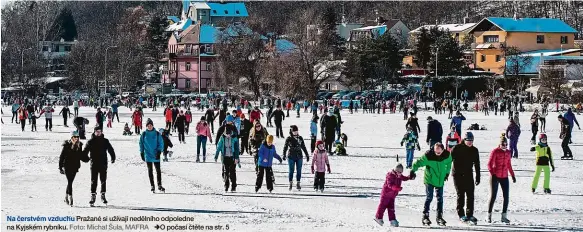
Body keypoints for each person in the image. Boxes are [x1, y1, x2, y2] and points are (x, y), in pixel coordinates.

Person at [409, 143, 452, 226]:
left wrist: (447, 173)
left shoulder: (447, 155)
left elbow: (449, 163)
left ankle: (439, 216)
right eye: (436, 151)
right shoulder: (429, 156)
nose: (437, 153)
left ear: (443, 150)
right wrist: (412, 170)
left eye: (439, 152)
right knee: (429, 197)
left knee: (440, 198)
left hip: (440, 180)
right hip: (429, 179)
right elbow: (419, 162)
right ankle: (425, 216)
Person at [450, 132, 480, 224]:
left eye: (471, 141)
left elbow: (477, 164)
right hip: (457, 175)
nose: (470, 142)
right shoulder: (457, 148)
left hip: (468, 174)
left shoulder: (474, 150)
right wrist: (446, 173)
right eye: (468, 140)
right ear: (464, 140)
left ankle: (469, 214)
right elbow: (448, 160)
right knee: (461, 194)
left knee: (470, 195)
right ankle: (461, 214)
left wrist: (478, 176)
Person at [82, 126, 116, 206]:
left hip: (103, 163)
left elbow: (110, 149)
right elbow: (85, 152)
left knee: (103, 180)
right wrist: (86, 158)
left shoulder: (105, 141)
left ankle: (103, 194)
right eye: (97, 131)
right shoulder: (90, 141)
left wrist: (113, 157)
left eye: (99, 131)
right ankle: (93, 196)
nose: (98, 133)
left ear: (101, 132)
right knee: (94, 180)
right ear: (94, 132)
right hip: (94, 164)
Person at [487, 136, 516, 223]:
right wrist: (493, 173)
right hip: (495, 176)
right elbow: (489, 164)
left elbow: (509, 165)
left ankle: (504, 216)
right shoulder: (495, 151)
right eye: (503, 144)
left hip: (504, 176)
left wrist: (513, 175)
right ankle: (489, 215)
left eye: (506, 144)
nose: (504, 146)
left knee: (506, 197)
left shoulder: (508, 152)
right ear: (500, 144)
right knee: (493, 196)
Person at [374, 163, 412, 227]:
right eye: (399, 172)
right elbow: (390, 185)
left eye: (401, 172)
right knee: (382, 206)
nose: (400, 174)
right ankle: (378, 217)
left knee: (391, 208)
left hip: (392, 196)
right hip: (386, 194)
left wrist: (409, 177)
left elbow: (404, 178)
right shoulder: (390, 175)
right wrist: (397, 188)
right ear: (395, 170)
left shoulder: (399, 175)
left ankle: (392, 220)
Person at [59, 131, 89, 206]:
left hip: (75, 166)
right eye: (74, 137)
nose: (76, 138)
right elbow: (62, 156)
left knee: (70, 182)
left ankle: (66, 197)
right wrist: (60, 167)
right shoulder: (66, 145)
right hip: (67, 166)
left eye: (77, 137)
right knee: (69, 182)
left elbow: (80, 156)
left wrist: (88, 159)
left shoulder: (79, 145)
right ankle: (70, 197)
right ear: (71, 137)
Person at [139, 119, 166, 193]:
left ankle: (159, 185)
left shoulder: (157, 134)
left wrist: (159, 151)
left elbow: (161, 143)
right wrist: (141, 152)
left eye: (150, 125)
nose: (149, 126)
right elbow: (141, 143)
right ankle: (152, 186)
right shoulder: (144, 134)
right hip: (147, 155)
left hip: (155, 154)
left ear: (152, 125)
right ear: (146, 126)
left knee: (158, 171)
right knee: (150, 171)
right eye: (148, 125)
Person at [283, 125, 310, 191]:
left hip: (299, 156)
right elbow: (285, 147)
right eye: (294, 131)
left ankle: (298, 183)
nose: (295, 132)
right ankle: (290, 182)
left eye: (296, 131)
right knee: (291, 170)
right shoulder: (289, 138)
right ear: (291, 132)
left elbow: (303, 146)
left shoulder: (300, 138)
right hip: (291, 156)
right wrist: (284, 154)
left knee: (299, 170)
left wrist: (307, 155)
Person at [215, 127, 240, 192]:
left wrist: (236, 158)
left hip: (232, 157)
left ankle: (234, 186)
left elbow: (237, 149)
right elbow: (219, 146)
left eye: (229, 134)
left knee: (232, 172)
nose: (228, 135)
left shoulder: (234, 138)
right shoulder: (222, 138)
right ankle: (226, 185)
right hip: (225, 157)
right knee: (226, 172)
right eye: (227, 134)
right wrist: (216, 155)